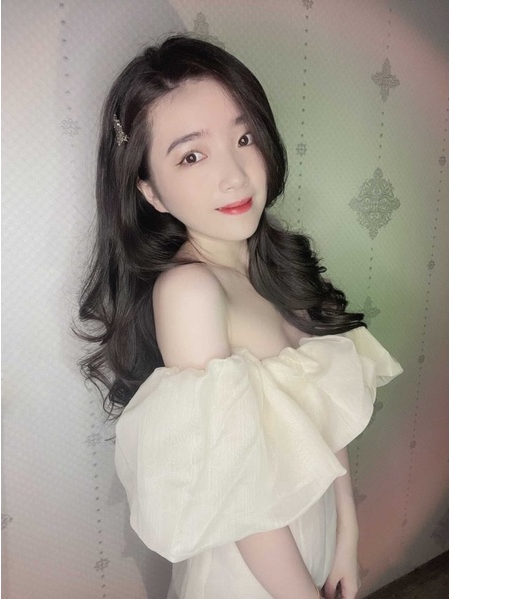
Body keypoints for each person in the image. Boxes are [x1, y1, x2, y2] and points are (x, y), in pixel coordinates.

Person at [78, 33, 402, 599]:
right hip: (253, 574)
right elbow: (239, 490)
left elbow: (325, 414)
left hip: (316, 538)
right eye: (192, 155)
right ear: (151, 191)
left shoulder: (272, 263)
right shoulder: (191, 292)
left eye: (244, 137)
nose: (234, 174)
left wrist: (347, 536)